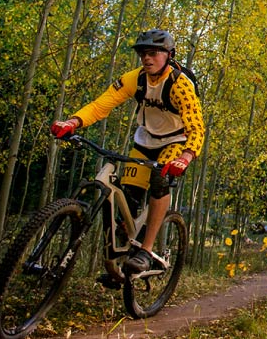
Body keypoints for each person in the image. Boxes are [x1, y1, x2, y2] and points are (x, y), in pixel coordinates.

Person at [51, 29, 205, 274]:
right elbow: (102, 104)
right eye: (143, 53)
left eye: (153, 53)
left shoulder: (180, 85)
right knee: (129, 200)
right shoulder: (135, 78)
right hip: (144, 141)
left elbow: (196, 126)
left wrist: (186, 156)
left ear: (169, 55)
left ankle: (146, 250)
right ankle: (123, 257)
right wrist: (73, 122)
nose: (147, 58)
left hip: (175, 142)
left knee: (158, 180)